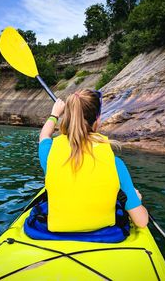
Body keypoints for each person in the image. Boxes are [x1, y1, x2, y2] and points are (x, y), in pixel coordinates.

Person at [38, 89, 148, 233]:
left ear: (68, 118)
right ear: (97, 119)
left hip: (57, 232)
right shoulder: (115, 164)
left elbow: (44, 135)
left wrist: (54, 115)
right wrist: (136, 199)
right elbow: (141, 221)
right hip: (103, 235)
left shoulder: (49, 154)